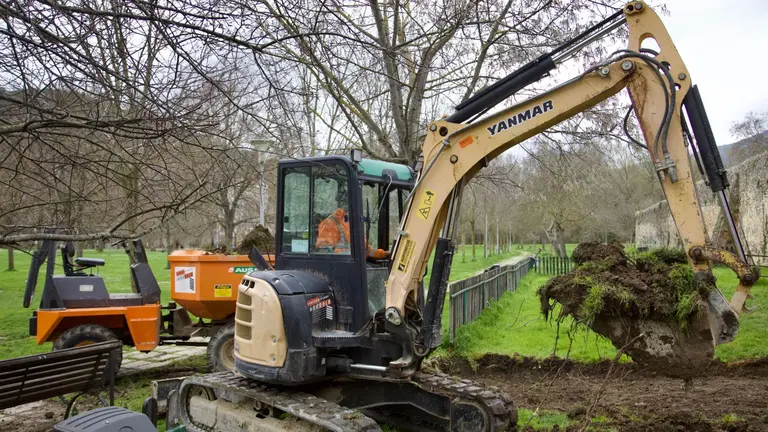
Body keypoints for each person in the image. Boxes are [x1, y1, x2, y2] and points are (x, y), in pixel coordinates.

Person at [316, 208, 390, 259]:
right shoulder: (329, 224)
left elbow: (365, 250)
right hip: (342, 266)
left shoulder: (351, 222)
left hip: (354, 263)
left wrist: (383, 254)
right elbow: (325, 252)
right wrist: (349, 253)